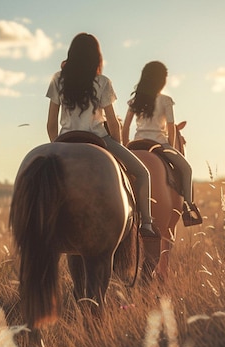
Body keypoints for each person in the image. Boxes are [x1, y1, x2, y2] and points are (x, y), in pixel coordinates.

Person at [45, 33, 157, 237]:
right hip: (99, 139)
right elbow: (113, 122)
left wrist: (56, 145)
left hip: (65, 141)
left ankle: (42, 224)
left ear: (71, 53)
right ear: (96, 57)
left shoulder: (58, 80)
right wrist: (119, 147)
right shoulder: (103, 82)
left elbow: (51, 123)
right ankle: (146, 224)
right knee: (142, 173)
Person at [122, 61, 202, 226]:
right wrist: (171, 149)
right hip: (158, 143)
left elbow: (126, 126)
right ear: (162, 80)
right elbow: (171, 128)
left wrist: (125, 145)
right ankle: (187, 207)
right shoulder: (166, 100)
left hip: (136, 143)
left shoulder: (135, 100)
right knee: (187, 169)